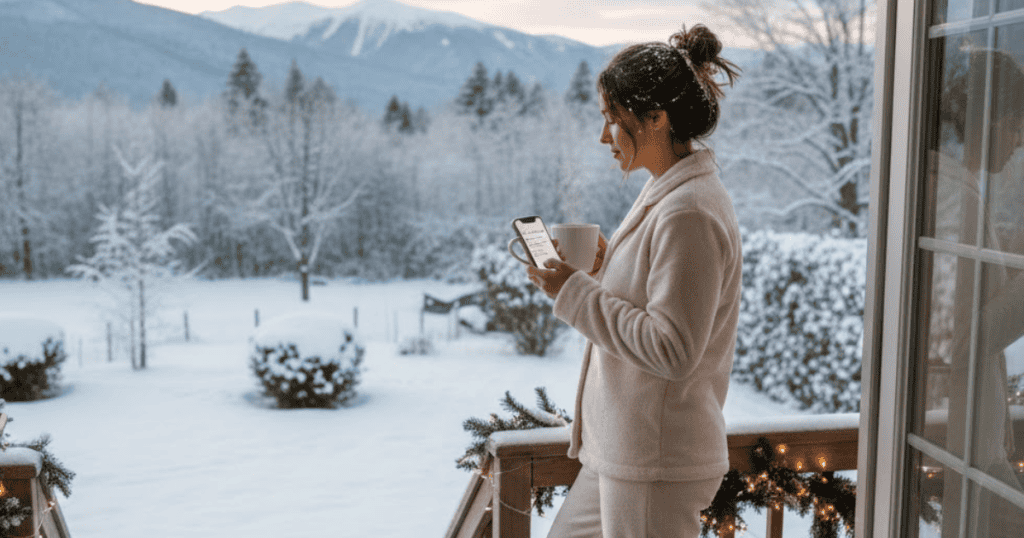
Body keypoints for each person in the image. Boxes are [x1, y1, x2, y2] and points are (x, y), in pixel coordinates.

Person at [526, 24, 742, 538]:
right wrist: (601, 270)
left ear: (655, 118)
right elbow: (654, 300)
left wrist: (572, 292)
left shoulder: (688, 212)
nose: (604, 136)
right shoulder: (668, 193)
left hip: (655, 463)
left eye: (612, 120)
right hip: (625, 450)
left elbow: (672, 348)